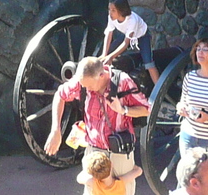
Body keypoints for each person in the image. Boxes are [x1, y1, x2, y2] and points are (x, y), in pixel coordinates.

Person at [46, 56, 152, 195]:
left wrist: (123, 110)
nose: (86, 88)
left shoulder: (123, 82)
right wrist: (56, 130)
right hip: (94, 154)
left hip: (119, 154)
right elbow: (60, 95)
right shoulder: (82, 82)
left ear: (102, 75)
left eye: (89, 86)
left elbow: (146, 109)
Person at [102, 0, 159, 84]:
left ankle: (158, 89)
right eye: (109, 9)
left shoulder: (132, 20)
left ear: (121, 11)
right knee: (107, 55)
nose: (110, 13)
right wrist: (104, 54)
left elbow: (125, 44)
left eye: (113, 10)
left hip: (142, 36)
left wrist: (111, 57)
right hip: (127, 35)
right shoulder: (111, 17)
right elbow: (109, 35)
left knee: (148, 64)